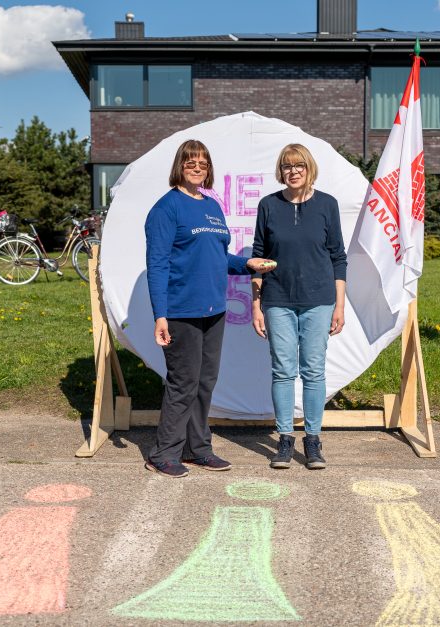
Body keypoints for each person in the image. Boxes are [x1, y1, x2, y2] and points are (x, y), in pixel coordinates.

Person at [145, 139, 274, 478]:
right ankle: (163, 453)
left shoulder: (212, 207)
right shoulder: (166, 208)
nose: (197, 166)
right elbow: (157, 264)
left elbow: (219, 257)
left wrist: (248, 264)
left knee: (205, 382)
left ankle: (197, 449)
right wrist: (160, 314)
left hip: (214, 309)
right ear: (180, 166)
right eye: (191, 161)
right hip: (181, 311)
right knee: (182, 382)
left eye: (202, 162)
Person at [251, 143, 347, 470]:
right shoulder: (268, 205)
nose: (294, 171)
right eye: (288, 166)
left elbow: (338, 257)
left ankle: (314, 440)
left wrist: (340, 305)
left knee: (313, 371)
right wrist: (256, 304)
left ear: (309, 169)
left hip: (319, 300)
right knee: (282, 370)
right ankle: (284, 439)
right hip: (277, 300)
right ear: (282, 171)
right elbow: (258, 258)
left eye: (299, 166)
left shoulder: (327, 205)